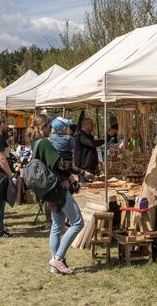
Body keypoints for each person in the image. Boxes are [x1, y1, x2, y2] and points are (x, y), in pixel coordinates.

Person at [27, 114, 93, 275]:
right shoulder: (44, 143)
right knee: (78, 222)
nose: (51, 130)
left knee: (57, 226)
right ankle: (58, 258)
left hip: (47, 190)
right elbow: (61, 164)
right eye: (49, 127)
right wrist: (82, 172)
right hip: (56, 189)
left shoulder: (35, 143)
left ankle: (55, 265)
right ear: (43, 127)